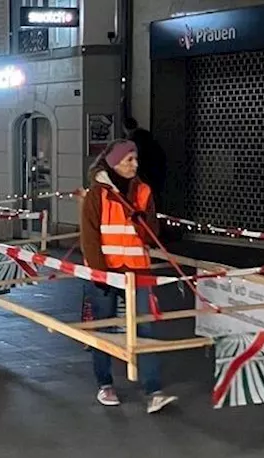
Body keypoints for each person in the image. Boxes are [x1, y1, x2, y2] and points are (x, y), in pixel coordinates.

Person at [78, 139, 176, 414]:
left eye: (135, 159)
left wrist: (141, 220)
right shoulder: (97, 194)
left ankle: (153, 389)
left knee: (146, 328)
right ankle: (105, 383)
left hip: (137, 270)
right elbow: (89, 236)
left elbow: (151, 232)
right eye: (128, 160)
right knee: (105, 327)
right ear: (114, 163)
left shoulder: (143, 191)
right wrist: (100, 273)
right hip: (106, 273)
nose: (134, 164)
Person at [124, 117, 168, 197]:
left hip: (142, 176)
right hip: (157, 173)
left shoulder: (131, 142)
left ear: (125, 128)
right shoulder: (149, 138)